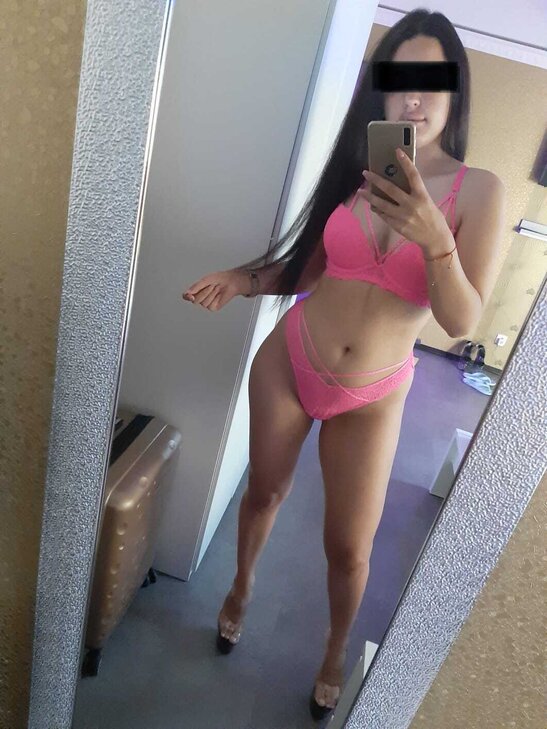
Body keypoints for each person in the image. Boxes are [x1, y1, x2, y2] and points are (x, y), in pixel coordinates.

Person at [181, 8, 505, 721]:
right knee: (264, 492)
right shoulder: (359, 170)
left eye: (430, 81)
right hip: (292, 357)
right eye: (399, 80)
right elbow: (308, 267)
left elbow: (461, 320)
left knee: (349, 549)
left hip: (374, 393)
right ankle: (240, 587)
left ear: (455, 90)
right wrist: (242, 279)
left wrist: (434, 239)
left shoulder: (478, 191)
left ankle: (332, 653)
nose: (413, 99)